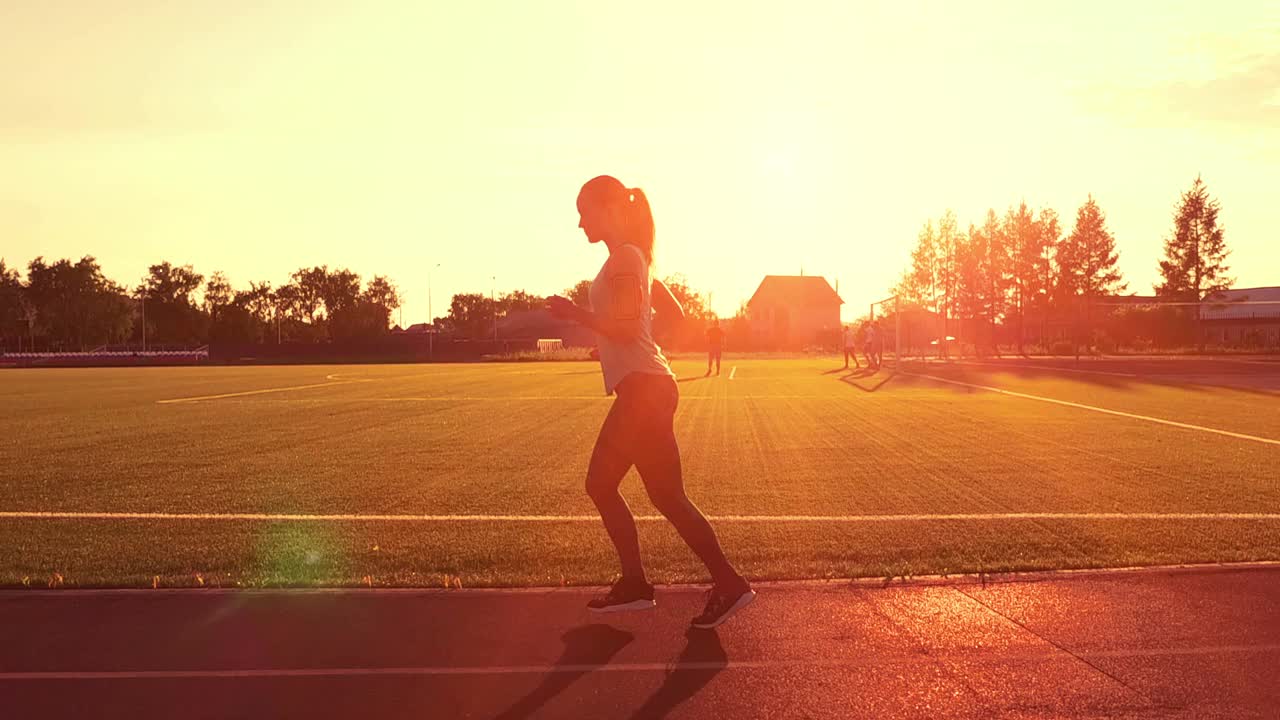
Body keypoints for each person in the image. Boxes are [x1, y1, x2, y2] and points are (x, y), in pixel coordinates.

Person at [547, 175, 755, 630]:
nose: (579, 222)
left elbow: (622, 328)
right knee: (664, 496)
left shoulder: (625, 258)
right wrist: (638, 343)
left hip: (644, 391)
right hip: (649, 386)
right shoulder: (634, 259)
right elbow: (673, 316)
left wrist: (574, 314)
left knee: (606, 486)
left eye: (585, 211)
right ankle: (710, 583)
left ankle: (652, 586)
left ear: (609, 209)